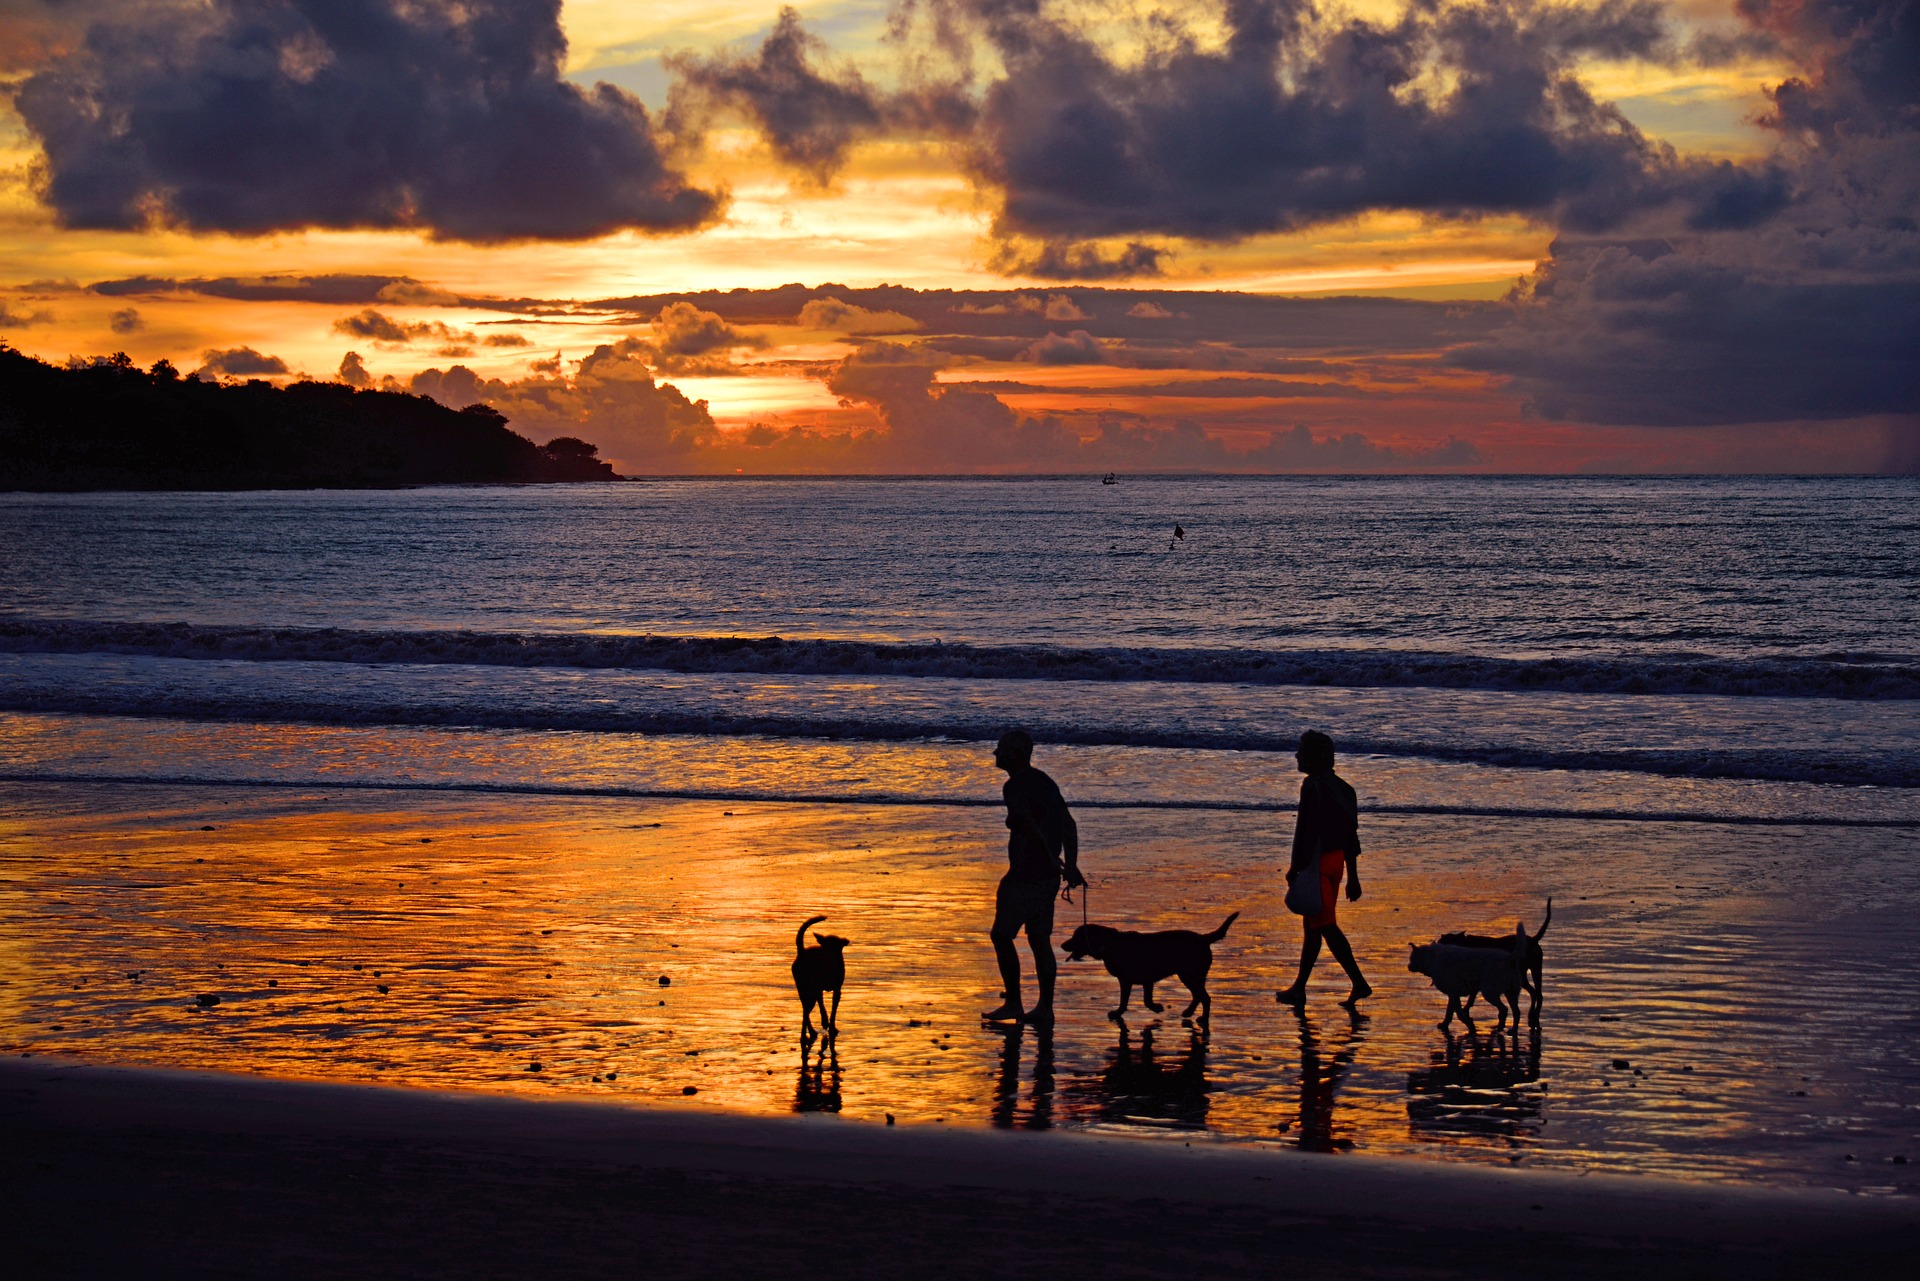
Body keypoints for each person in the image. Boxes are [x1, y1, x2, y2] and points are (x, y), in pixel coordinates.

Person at [981, 729, 1085, 1024]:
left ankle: (1014, 1002)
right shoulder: (1044, 781)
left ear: (1014, 753)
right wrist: (1070, 863)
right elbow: (1069, 824)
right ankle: (1044, 1008)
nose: (995, 754)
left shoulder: (1014, 786)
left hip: (1027, 873)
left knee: (1001, 935)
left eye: (1001, 748)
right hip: (1047, 876)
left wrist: (1053, 858)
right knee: (1039, 938)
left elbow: (1027, 825)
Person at [1275, 730, 1372, 1008]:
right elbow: (1350, 837)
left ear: (1313, 757)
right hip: (1337, 862)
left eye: (1301, 750)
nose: (1296, 755)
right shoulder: (1345, 789)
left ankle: (1360, 983)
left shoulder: (1311, 786)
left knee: (1326, 926)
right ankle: (1299, 988)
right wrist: (1352, 877)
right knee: (1313, 925)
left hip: (1316, 864)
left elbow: (1305, 831)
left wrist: (1296, 868)